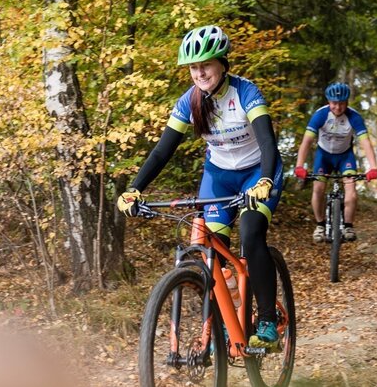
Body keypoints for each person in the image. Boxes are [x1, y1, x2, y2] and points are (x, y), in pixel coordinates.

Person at [116, 25, 284, 349]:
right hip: (219, 175)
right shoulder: (189, 102)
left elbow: (267, 141)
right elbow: (163, 150)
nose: (200, 72)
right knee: (213, 248)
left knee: (250, 232)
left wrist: (264, 179)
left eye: (206, 64)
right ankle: (232, 314)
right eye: (194, 67)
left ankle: (266, 320)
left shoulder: (245, 93)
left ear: (222, 63)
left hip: (257, 172)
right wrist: (135, 188)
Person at [293, 83, 377, 243]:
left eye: (341, 103)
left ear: (347, 102)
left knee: (351, 190)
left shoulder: (354, 117)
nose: (338, 107)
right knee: (318, 188)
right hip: (323, 157)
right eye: (334, 103)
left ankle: (348, 226)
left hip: (345, 157)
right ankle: (320, 225)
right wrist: (299, 165)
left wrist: (373, 167)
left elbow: (365, 142)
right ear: (328, 101)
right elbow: (306, 141)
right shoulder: (320, 115)